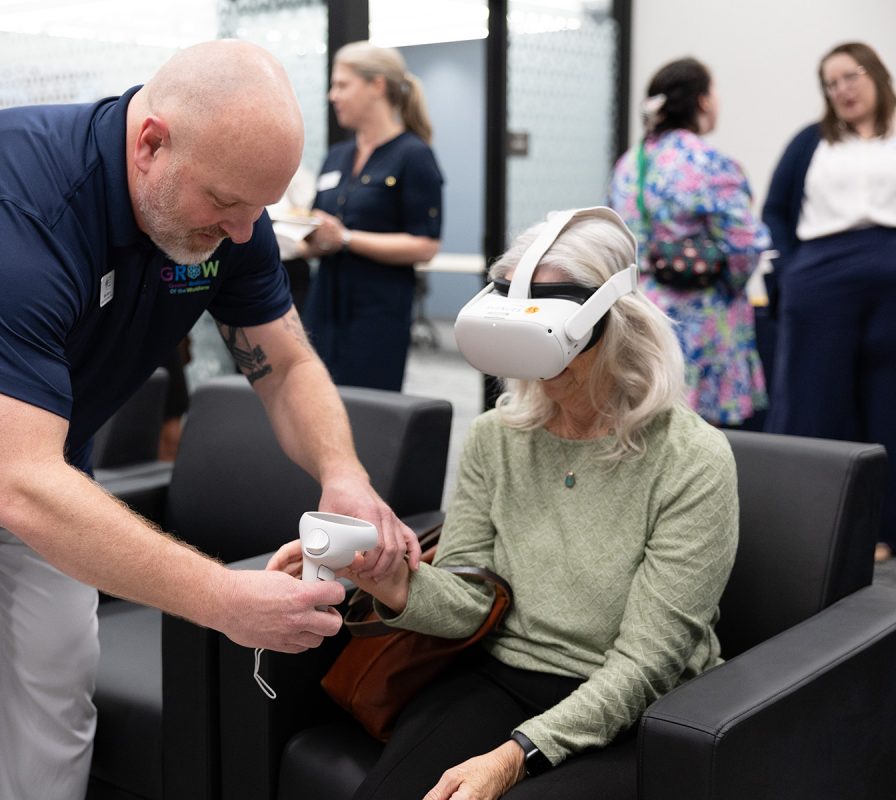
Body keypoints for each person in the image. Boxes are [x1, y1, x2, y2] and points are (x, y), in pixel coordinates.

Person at [0, 40, 418, 800]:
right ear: (150, 142)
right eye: (223, 206)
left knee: (56, 681)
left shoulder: (233, 215)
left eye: (256, 212)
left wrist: (342, 473)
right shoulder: (12, 210)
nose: (239, 233)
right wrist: (223, 600)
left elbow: (285, 365)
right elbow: (18, 487)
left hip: (43, 455)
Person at [270, 208, 739, 799]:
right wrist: (390, 581)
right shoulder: (499, 436)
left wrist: (516, 754)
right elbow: (471, 599)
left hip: (634, 702)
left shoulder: (691, 458)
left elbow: (647, 663)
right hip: (499, 675)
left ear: (613, 324)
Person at [762, 41, 896, 563]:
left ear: (876, 75)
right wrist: (788, 272)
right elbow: (775, 212)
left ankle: (883, 532)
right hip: (820, 282)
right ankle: (804, 528)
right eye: (830, 82)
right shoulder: (810, 142)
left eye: (849, 76)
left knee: (887, 404)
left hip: (891, 285)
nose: (841, 89)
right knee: (812, 402)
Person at [608, 57, 771, 428]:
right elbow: (746, 244)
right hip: (702, 317)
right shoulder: (708, 162)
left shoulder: (630, 164)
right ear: (702, 101)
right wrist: (729, 285)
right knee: (705, 434)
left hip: (642, 312)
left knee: (650, 423)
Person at [300, 41, 444, 391]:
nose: (332, 96)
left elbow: (425, 245)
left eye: (342, 85)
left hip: (377, 311)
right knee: (316, 397)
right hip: (324, 303)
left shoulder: (414, 155)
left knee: (367, 409)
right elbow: (324, 229)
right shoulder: (337, 156)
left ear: (377, 86)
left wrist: (346, 239)